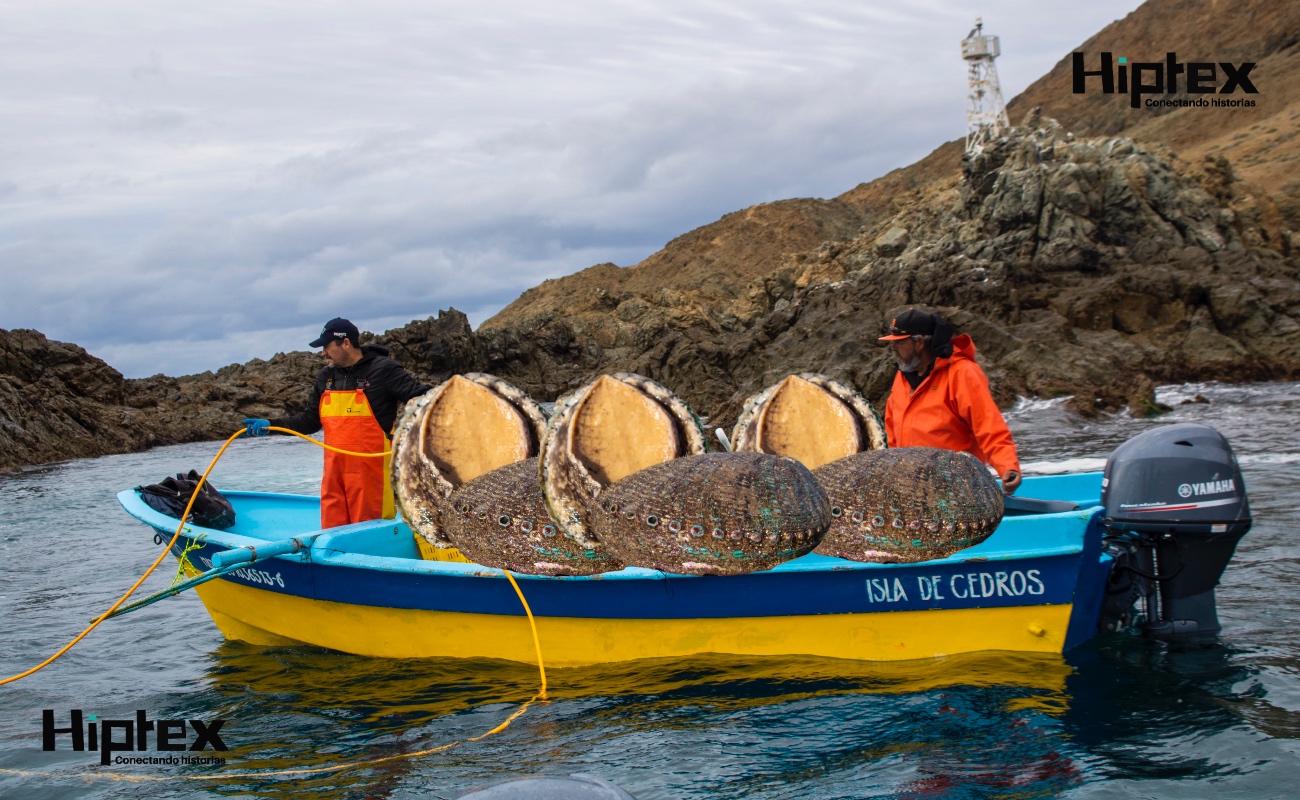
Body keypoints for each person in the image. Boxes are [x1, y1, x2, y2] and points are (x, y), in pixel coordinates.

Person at [243, 318, 429, 527]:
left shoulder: (383, 369)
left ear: (346, 343)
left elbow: (424, 401)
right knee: (332, 532)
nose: (323, 352)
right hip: (333, 475)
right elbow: (310, 420)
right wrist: (270, 425)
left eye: (327, 346)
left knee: (368, 532)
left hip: (371, 475)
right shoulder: (326, 376)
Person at [878, 309, 1022, 495]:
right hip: (913, 489)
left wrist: (1008, 467)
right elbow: (892, 432)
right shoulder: (902, 376)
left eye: (900, 342)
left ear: (919, 342)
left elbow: (989, 426)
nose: (894, 348)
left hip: (958, 489)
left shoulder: (962, 373)